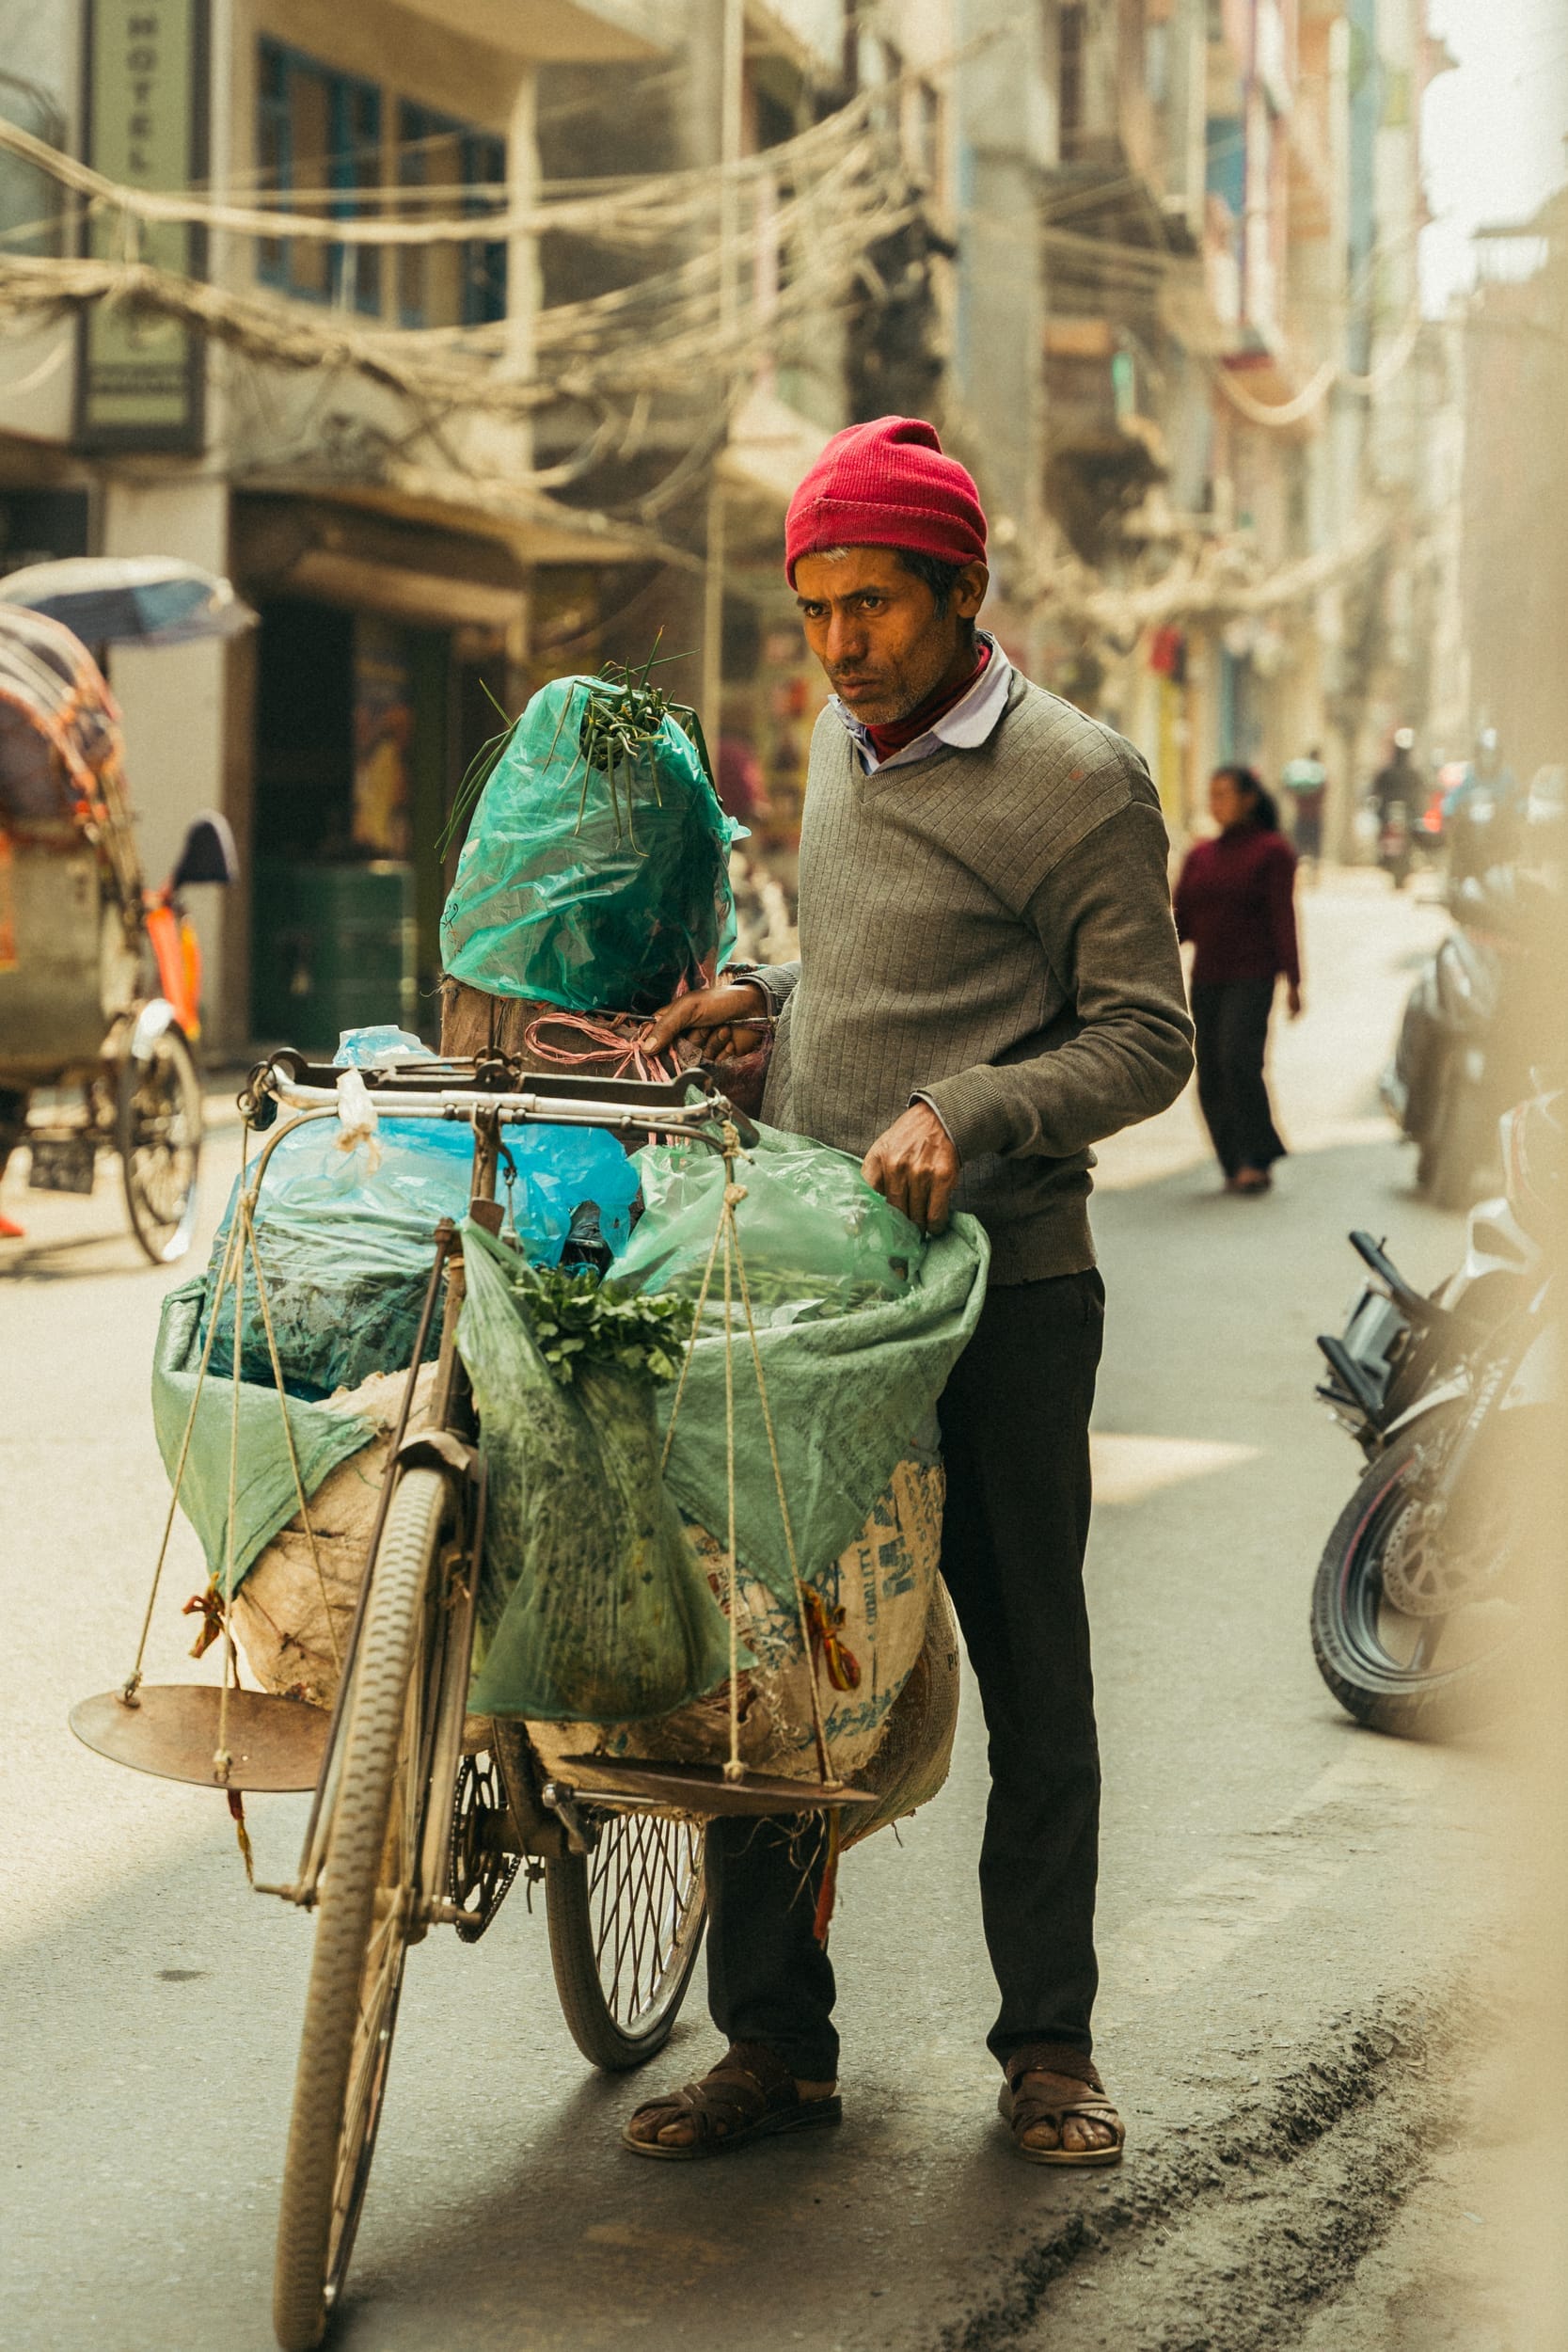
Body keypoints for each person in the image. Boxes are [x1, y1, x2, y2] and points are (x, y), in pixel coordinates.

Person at [626, 416, 1194, 2168]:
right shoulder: (838, 742)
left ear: (962, 593)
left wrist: (977, 1108)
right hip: (819, 1280)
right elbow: (888, 978)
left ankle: (1047, 2046)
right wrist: (767, 1008)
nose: (840, 642)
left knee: (1031, 1665)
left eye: (871, 602)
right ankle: (775, 2049)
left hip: (1008, 1288)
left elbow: (1146, 1036)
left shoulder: (1079, 780)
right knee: (772, 1663)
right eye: (815, 609)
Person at [1173, 765, 1302, 1195]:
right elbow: (1180, 922)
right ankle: (1233, 1162)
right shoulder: (1200, 855)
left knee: (1239, 1062)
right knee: (1209, 1071)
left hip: (1253, 975)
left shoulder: (1272, 851)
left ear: (1248, 798)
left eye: (1225, 793)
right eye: (1211, 795)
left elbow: (1283, 918)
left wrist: (1295, 982)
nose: (1217, 803)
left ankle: (1256, 1157)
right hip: (1207, 976)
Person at [1280, 744, 1327, 866]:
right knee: (1315, 847)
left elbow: (1287, 788)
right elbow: (1325, 791)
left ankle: (1298, 869)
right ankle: (1314, 871)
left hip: (1301, 814)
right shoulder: (1320, 774)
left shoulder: (1299, 775)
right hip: (1316, 815)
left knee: (1299, 846)